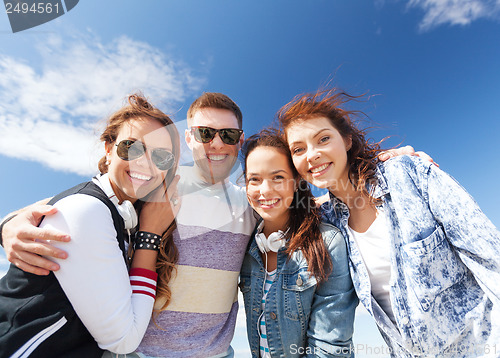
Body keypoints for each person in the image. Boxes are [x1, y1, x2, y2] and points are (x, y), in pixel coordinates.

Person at [0, 91, 428, 357]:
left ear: (240, 141)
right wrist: (9, 224)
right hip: (140, 353)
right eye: (205, 134)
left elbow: (315, 196)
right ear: (189, 138)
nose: (217, 144)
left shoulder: (252, 203)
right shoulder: (156, 186)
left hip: (216, 353)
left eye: (228, 136)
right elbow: (78, 205)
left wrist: (375, 166)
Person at [277, 88, 500, 357]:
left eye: (323, 139)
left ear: (347, 140)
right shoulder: (326, 222)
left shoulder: (410, 175)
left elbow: (490, 259)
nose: (311, 154)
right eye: (298, 149)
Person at [0, 94, 181, 357]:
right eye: (132, 147)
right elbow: (123, 340)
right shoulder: (88, 210)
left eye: (162, 157)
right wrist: (149, 237)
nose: (145, 162)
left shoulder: (120, 212)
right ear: (108, 149)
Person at [239, 129, 357, 358]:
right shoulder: (246, 246)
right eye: (254, 179)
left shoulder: (328, 243)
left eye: (278, 177)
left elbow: (329, 348)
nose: (265, 190)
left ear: (296, 183)